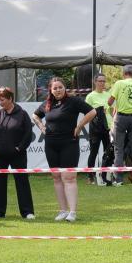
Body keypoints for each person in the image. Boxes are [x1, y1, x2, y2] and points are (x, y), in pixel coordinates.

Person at [33, 77, 96, 222]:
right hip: (51, 144)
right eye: (55, 88)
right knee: (56, 177)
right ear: (51, 90)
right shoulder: (47, 103)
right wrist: (41, 126)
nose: (58, 90)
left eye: (60, 87)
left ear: (64, 88)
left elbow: (92, 112)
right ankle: (62, 210)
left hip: (69, 143)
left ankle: (72, 212)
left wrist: (79, 126)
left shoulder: (74, 101)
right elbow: (35, 115)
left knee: (69, 177)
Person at [0, 86, 35, 220]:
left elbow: (28, 134)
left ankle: (27, 212)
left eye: (2, 100)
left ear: (10, 99)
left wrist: (19, 148)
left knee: (22, 182)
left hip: (18, 154)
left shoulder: (22, 114)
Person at [107, 65, 132, 185]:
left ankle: (119, 179)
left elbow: (109, 102)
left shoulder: (119, 83)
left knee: (118, 149)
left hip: (120, 118)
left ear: (123, 73)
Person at [84, 74, 113, 186]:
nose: (102, 83)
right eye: (100, 81)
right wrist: (97, 112)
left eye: (104, 81)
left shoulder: (108, 95)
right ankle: (90, 176)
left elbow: (111, 111)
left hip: (107, 128)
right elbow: (86, 113)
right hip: (95, 128)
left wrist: (112, 122)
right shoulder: (90, 96)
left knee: (108, 152)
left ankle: (105, 175)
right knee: (94, 152)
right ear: (95, 82)